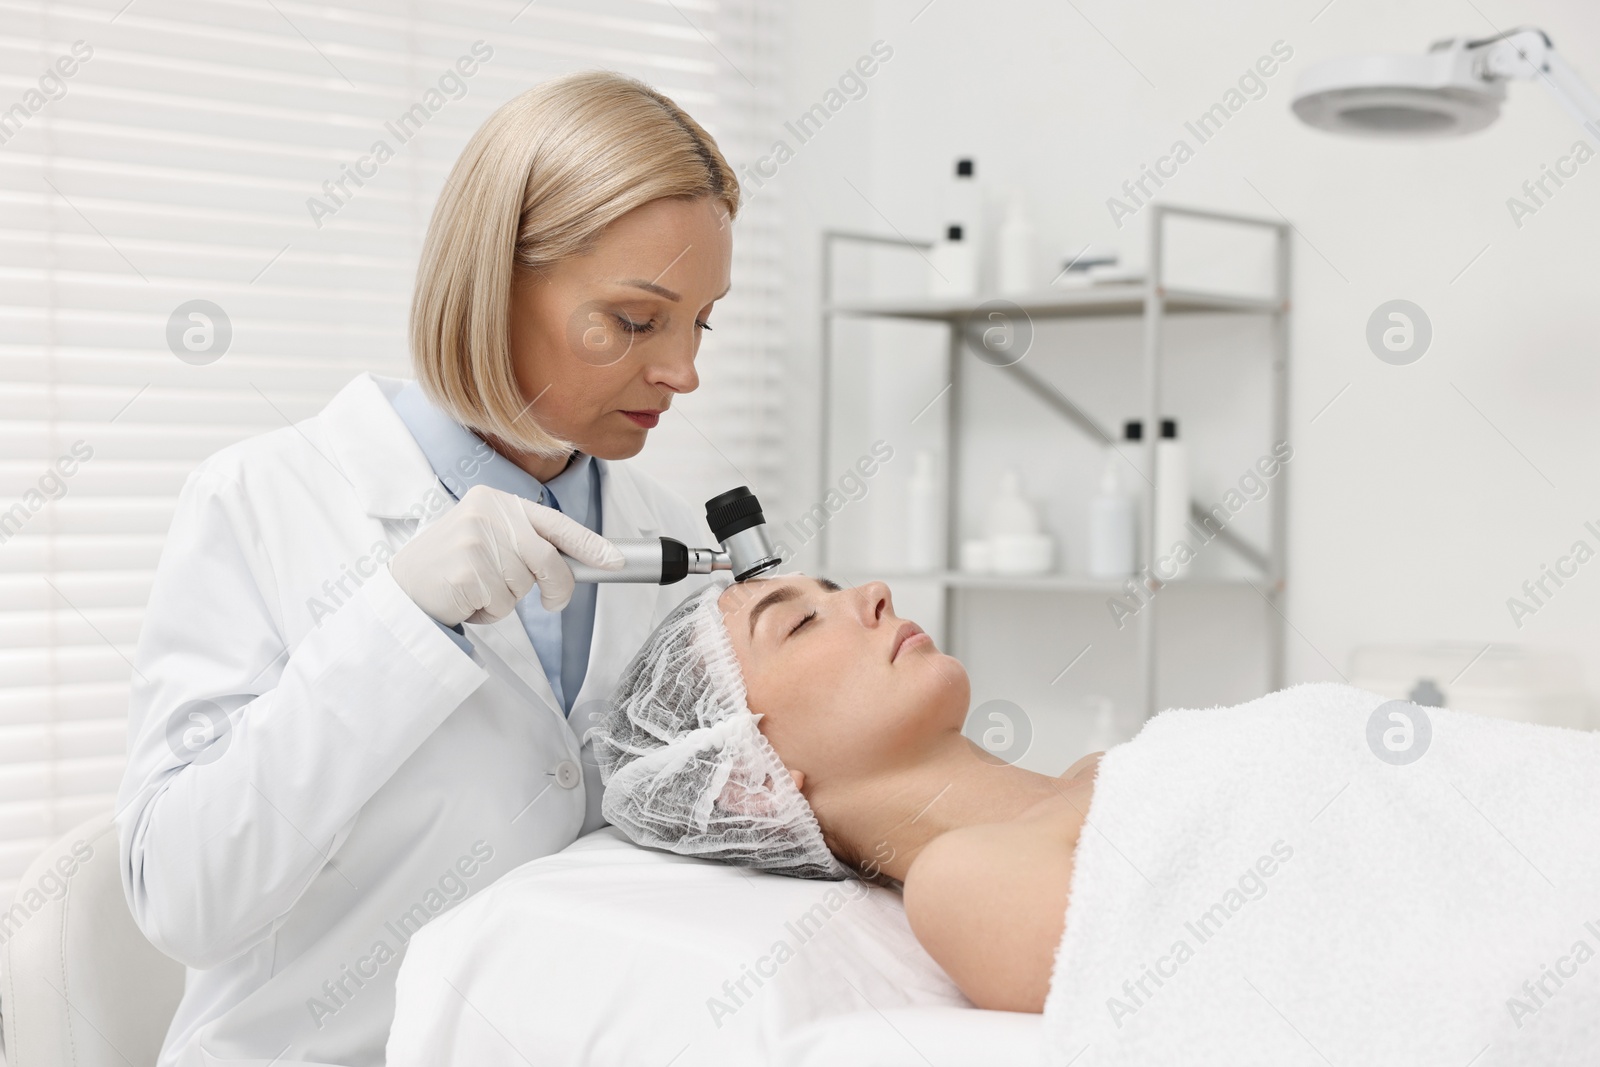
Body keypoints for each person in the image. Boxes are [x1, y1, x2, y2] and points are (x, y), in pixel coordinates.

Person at [116, 71, 738, 1067]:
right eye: (632, 319)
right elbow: (184, 896)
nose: (682, 370)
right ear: (495, 277)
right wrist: (396, 624)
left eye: (700, 320)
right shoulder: (261, 501)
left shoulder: (667, 545)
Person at [588, 575, 1102, 1014]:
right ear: (754, 783)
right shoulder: (959, 885)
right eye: (801, 622)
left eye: (831, 590)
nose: (877, 591)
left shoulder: (1093, 772)